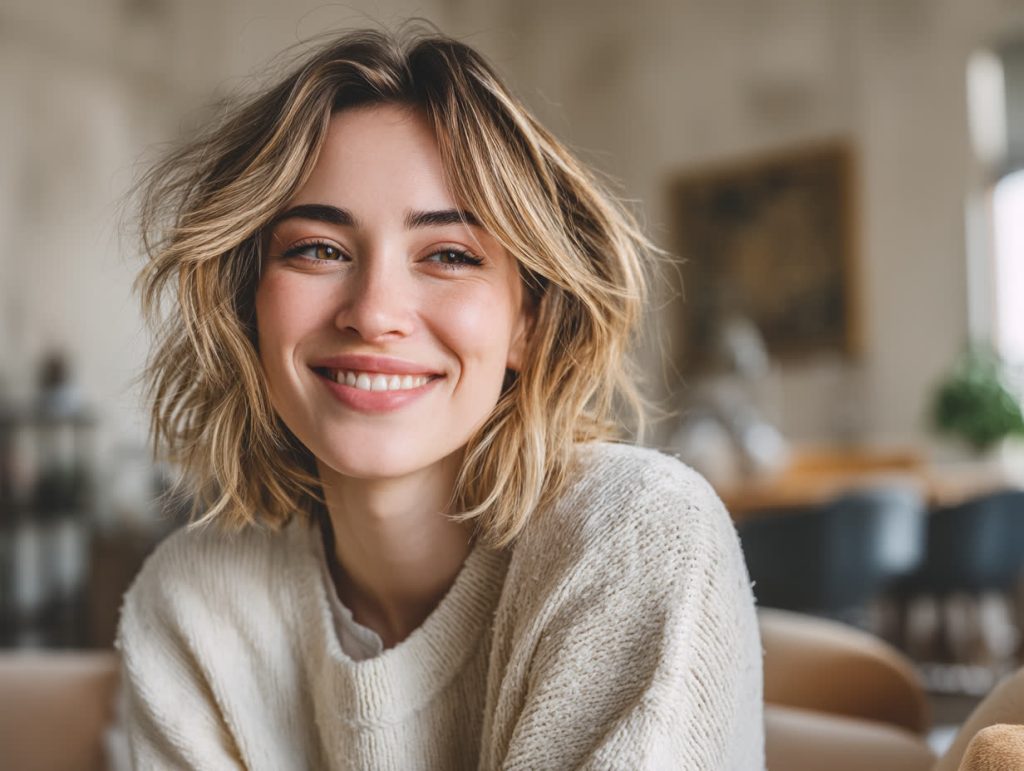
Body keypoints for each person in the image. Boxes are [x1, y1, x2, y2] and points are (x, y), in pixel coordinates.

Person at [116, 27, 764, 770]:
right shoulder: (192, 605)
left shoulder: (637, 536)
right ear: (248, 306)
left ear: (530, 319)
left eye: (449, 255)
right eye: (318, 249)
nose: (374, 310)